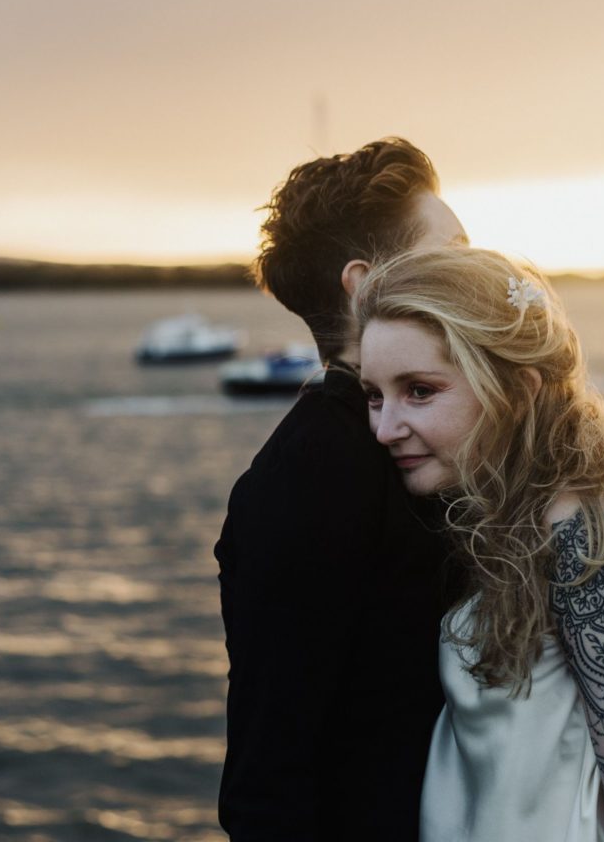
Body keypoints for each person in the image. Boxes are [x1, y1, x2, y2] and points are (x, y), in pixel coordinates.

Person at [354, 247, 604, 841]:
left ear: (517, 389)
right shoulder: (504, 517)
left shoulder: (588, 535)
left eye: (419, 391)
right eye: (374, 395)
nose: (385, 428)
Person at [214, 137, 469, 839]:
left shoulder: (452, 442)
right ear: (367, 284)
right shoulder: (302, 484)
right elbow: (266, 783)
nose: (479, 266)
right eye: (453, 248)